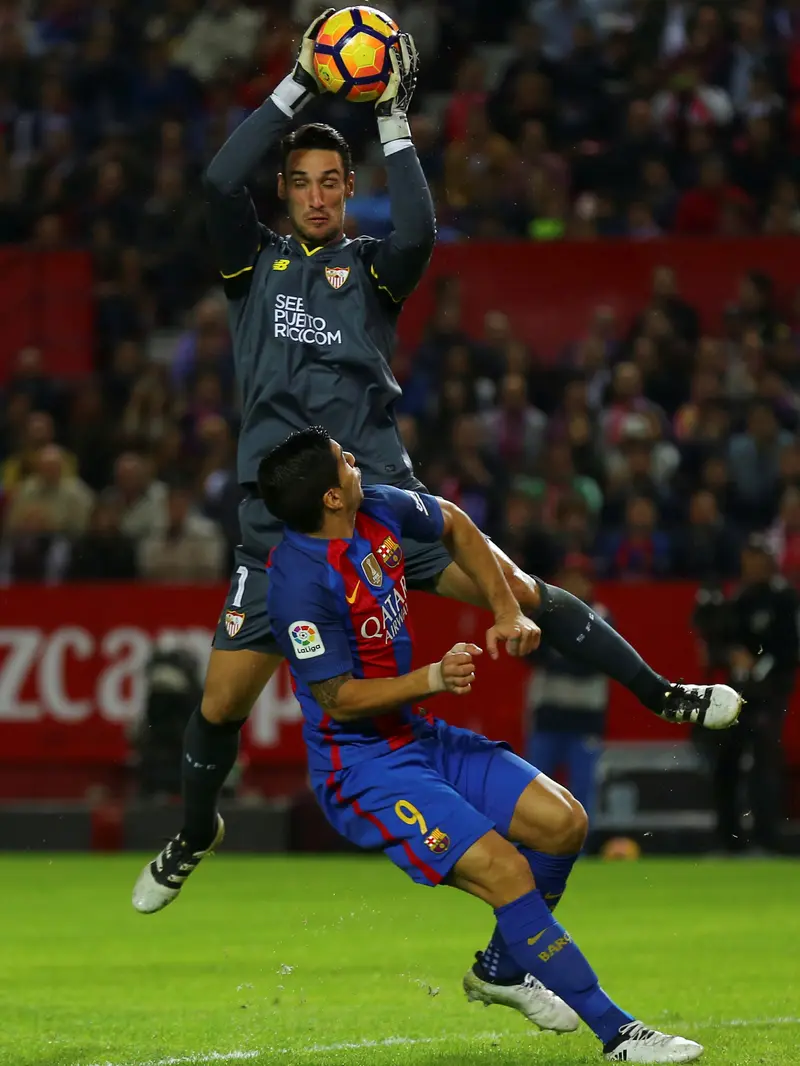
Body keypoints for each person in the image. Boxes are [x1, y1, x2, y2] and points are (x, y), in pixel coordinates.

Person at [132, 12, 741, 922]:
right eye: (300, 182)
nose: (316, 195)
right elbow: (222, 176)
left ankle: (661, 693)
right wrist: (299, 84)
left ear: (347, 189)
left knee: (523, 589)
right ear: (287, 193)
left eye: (331, 181)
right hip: (278, 527)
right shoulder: (249, 269)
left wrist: (393, 118)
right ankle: (194, 830)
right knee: (219, 706)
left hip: (380, 507)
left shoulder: (375, 271)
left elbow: (419, 225)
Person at [238, 428, 704, 1063]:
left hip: (418, 736)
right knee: (508, 872)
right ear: (329, 498)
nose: (355, 461)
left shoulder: (374, 506)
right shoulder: (298, 584)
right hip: (365, 766)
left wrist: (505, 607)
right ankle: (619, 1033)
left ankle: (502, 970)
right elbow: (337, 698)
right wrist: (431, 678)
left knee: (563, 823)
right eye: (344, 462)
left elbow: (454, 523)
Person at [712, 535, 799, 854]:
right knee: (726, 760)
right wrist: (732, 655)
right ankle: (728, 840)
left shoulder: (784, 598)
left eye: (759, 556)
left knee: (764, 762)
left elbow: (790, 648)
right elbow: (720, 642)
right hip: (736, 693)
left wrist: (759, 665)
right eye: (749, 556)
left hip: (771, 692)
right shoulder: (738, 598)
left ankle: (767, 839)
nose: (753, 563)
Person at [525, 555, 608, 825]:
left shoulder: (602, 617)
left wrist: (557, 657)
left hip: (585, 719)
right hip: (549, 715)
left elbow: (592, 663)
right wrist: (570, 655)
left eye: (578, 578)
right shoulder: (545, 615)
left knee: (582, 792)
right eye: (568, 578)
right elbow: (530, 654)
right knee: (536, 789)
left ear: (588, 583)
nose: (572, 584)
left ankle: (580, 852)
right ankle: (535, 849)